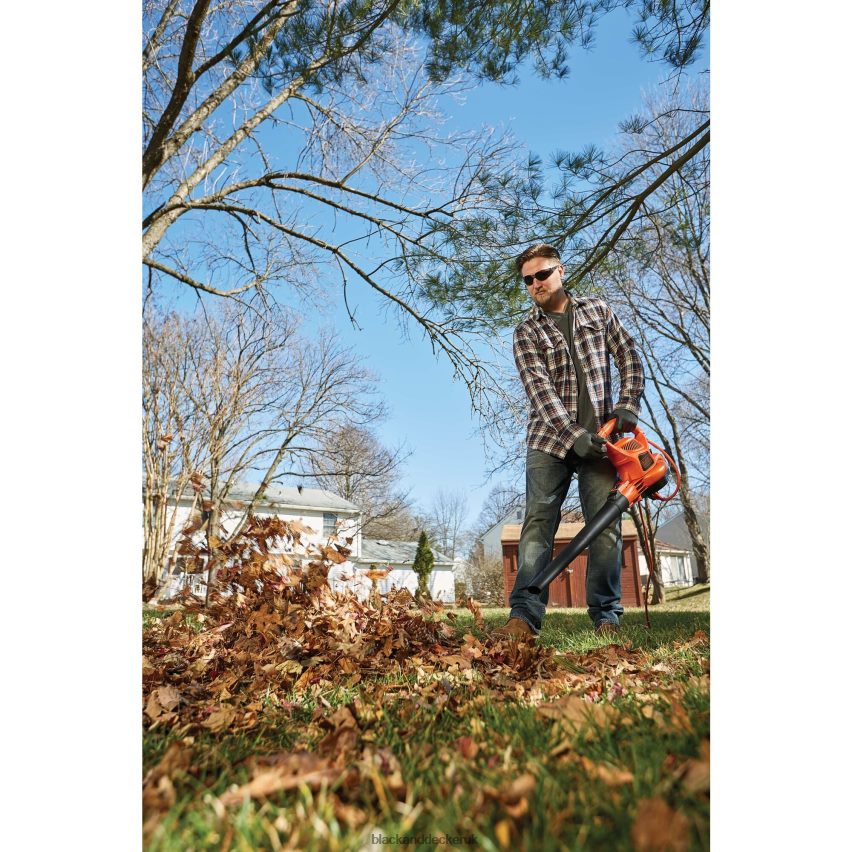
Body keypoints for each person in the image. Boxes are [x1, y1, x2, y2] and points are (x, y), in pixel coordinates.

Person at [493, 243, 644, 642]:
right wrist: (572, 435)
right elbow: (539, 391)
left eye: (542, 274)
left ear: (561, 271)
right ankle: (523, 618)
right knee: (538, 524)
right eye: (528, 280)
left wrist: (628, 403)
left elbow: (628, 353)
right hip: (549, 441)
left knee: (606, 526)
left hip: (603, 441)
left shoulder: (597, 311)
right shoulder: (526, 332)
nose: (535, 284)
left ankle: (607, 618)